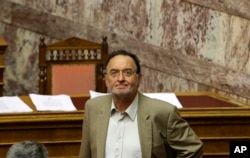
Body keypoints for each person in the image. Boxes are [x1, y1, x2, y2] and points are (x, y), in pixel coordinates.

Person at [79, 49, 203, 158]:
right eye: (114, 73)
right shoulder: (93, 108)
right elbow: (85, 155)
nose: (121, 79)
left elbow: (193, 149)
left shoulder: (164, 113)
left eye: (127, 72)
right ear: (106, 80)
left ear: (139, 79)